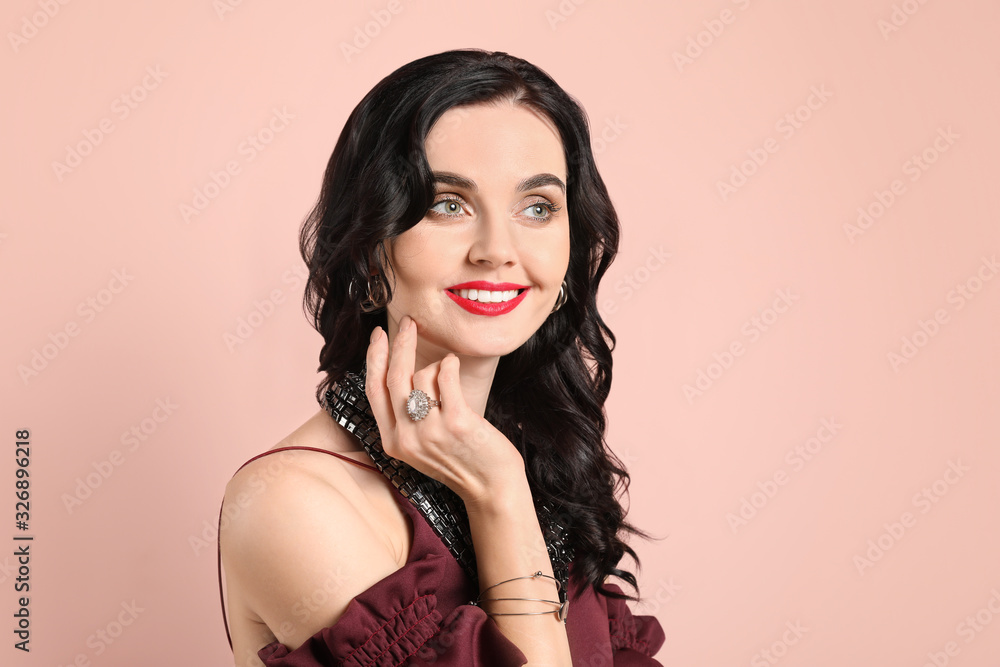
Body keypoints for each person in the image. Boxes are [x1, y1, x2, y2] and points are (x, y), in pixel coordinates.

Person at [217, 49, 665, 666]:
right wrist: (500, 496)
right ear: (372, 245)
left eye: (537, 208)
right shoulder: (293, 503)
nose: (497, 250)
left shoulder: (539, 464)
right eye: (447, 204)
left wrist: (503, 482)